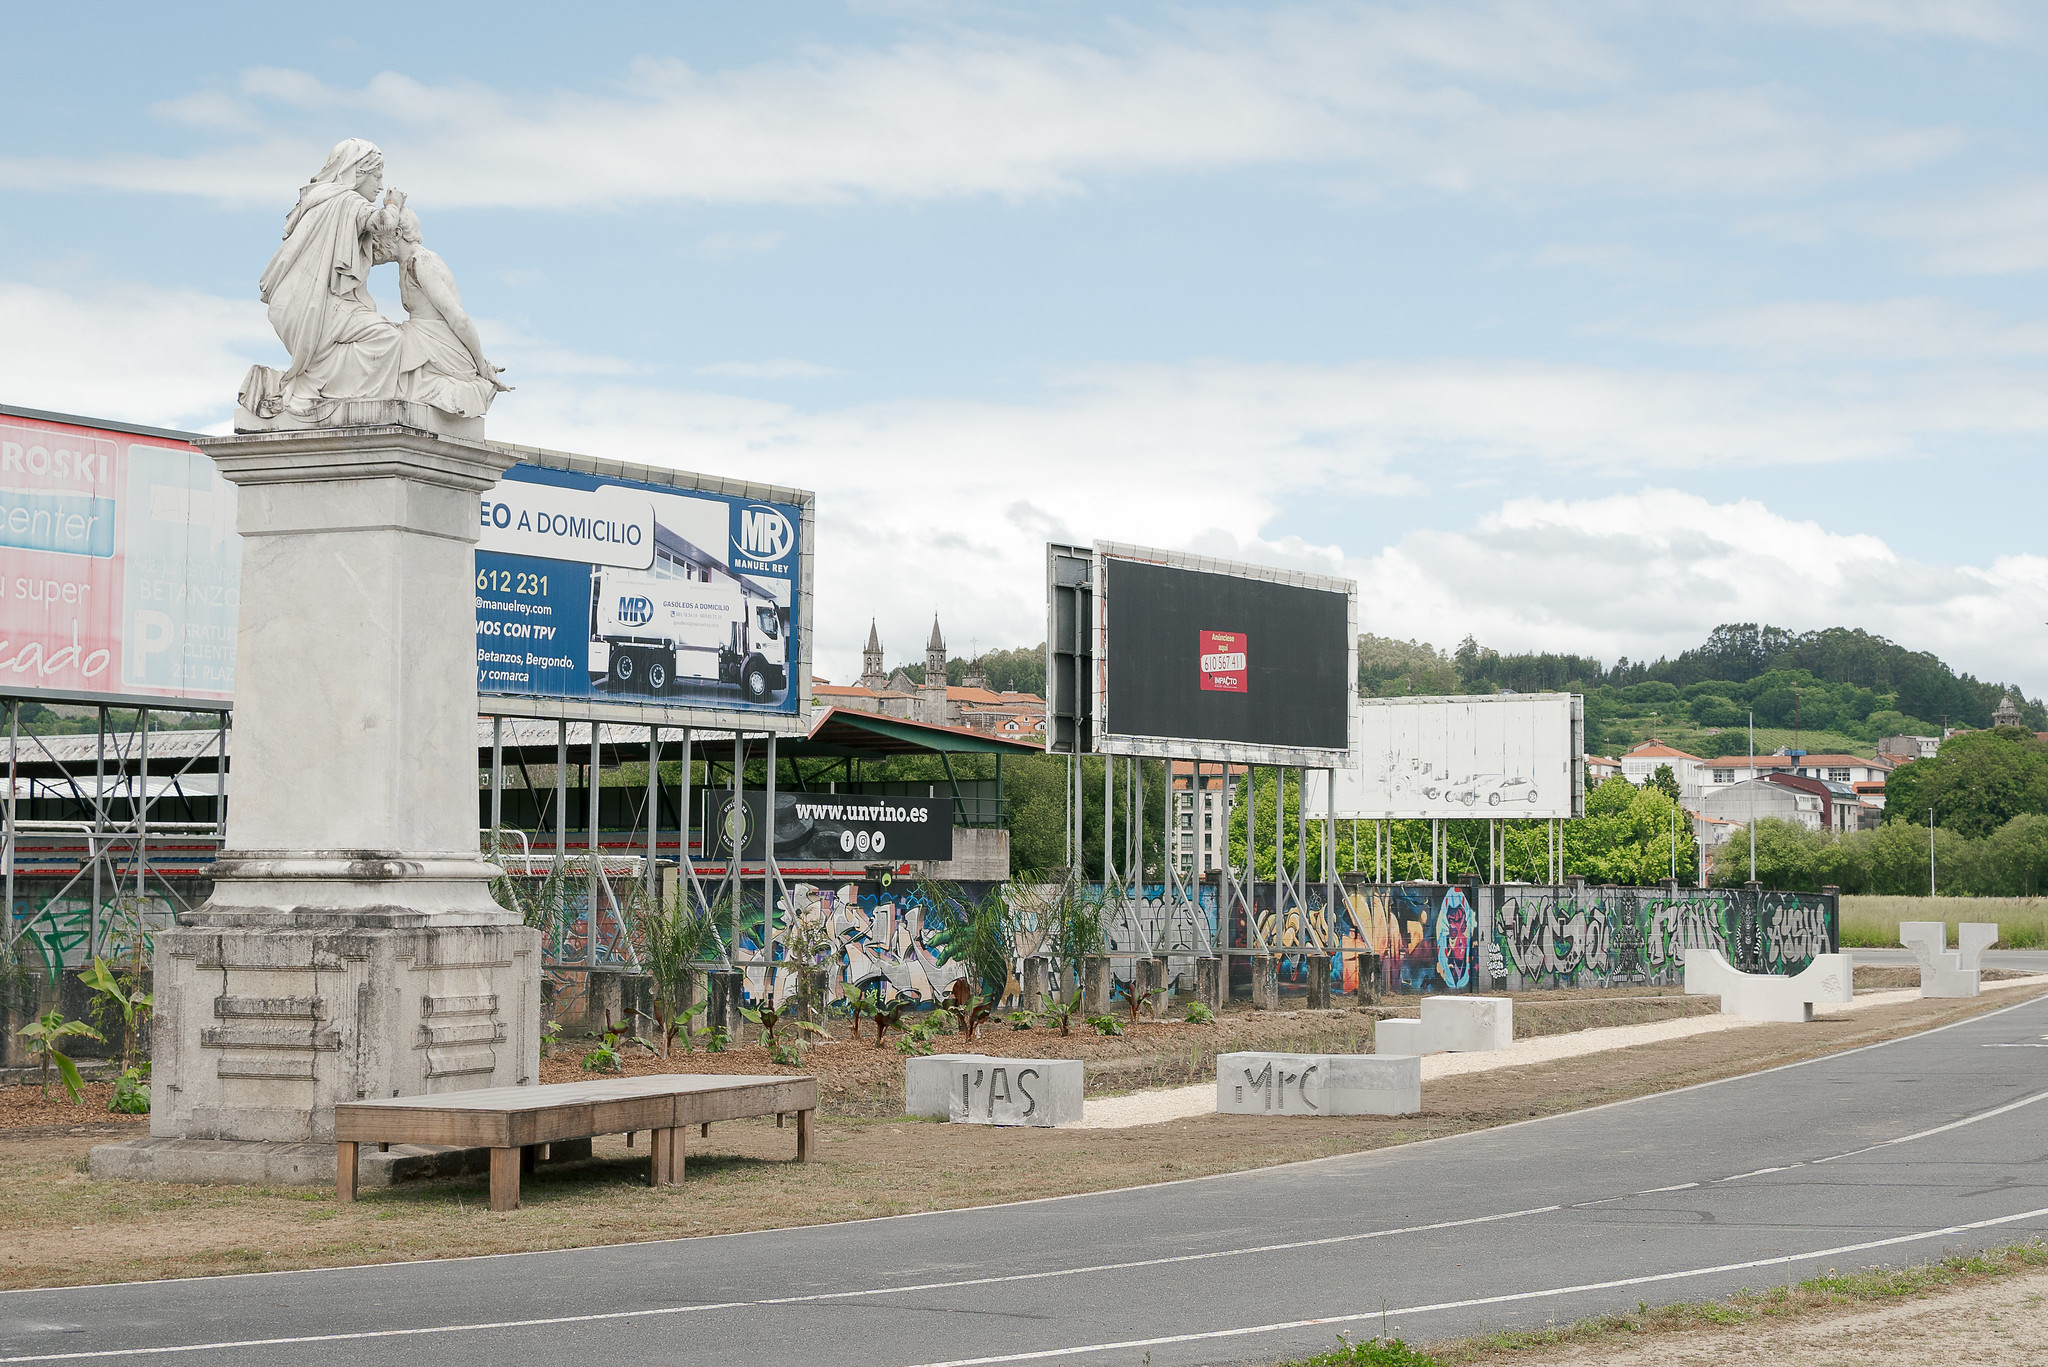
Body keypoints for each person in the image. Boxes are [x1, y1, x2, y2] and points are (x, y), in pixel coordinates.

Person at [240, 139, 406, 422]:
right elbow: (381, 223)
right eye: (377, 176)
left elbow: (351, 255)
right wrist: (393, 205)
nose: (380, 185)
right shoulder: (346, 200)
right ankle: (328, 392)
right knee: (387, 337)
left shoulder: (324, 202)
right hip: (314, 304)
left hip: (302, 300)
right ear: (358, 172)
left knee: (375, 336)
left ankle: (312, 385)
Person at [388, 206, 512, 417]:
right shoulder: (405, 263)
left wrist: (481, 365)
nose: (373, 244)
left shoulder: (421, 262)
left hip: (440, 347)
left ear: (398, 234)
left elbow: (459, 319)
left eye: (379, 235)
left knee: (382, 346)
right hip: (422, 338)